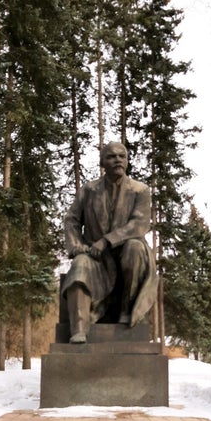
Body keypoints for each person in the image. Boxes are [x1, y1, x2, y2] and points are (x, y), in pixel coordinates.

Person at [62, 141, 158, 343]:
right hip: (97, 258)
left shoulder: (140, 190)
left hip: (128, 253)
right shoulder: (89, 190)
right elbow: (71, 219)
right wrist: (77, 247)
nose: (117, 160)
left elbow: (139, 224)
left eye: (122, 156)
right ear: (102, 162)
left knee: (135, 248)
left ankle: (126, 311)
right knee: (79, 265)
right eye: (111, 157)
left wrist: (107, 241)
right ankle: (79, 329)